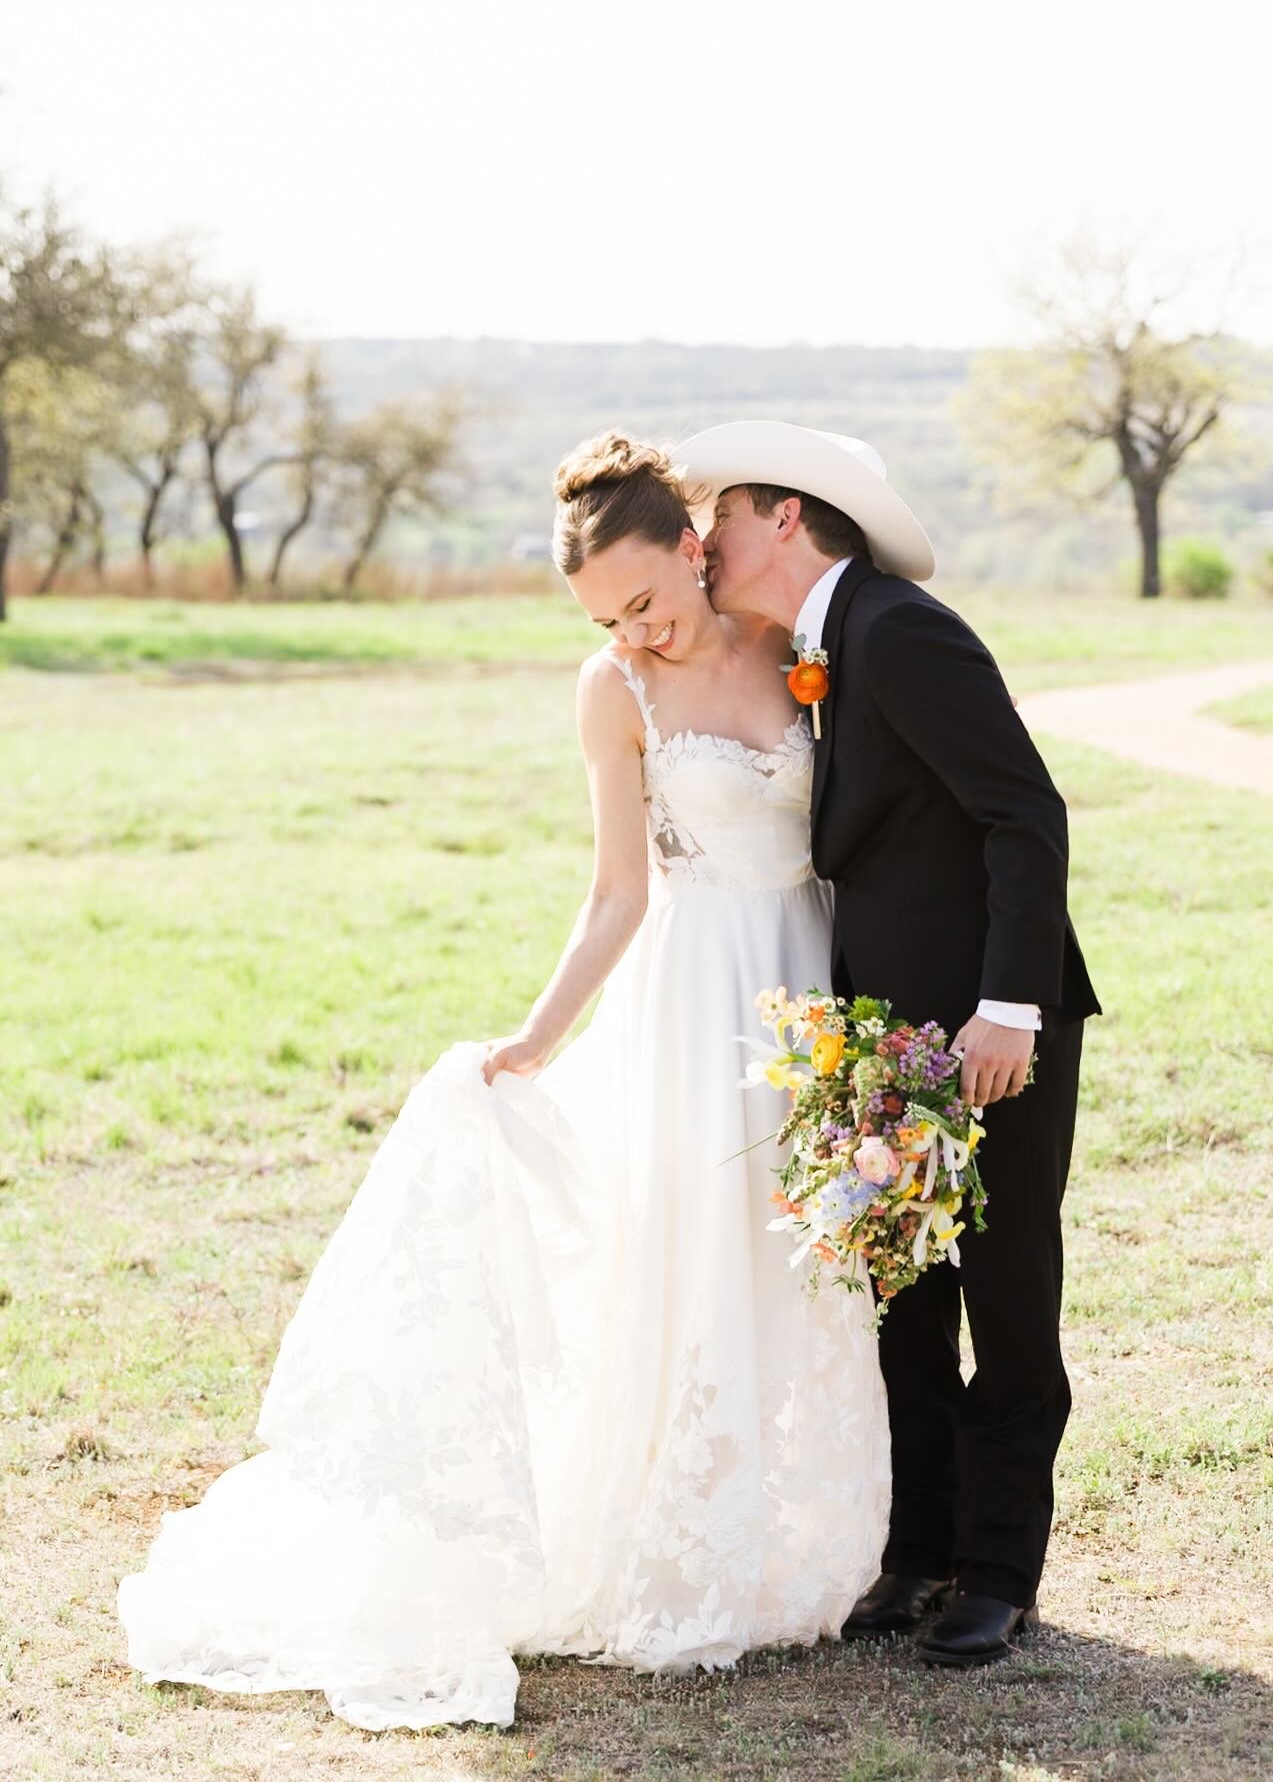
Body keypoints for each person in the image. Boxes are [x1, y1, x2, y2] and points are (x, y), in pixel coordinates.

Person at [117, 432, 890, 1732]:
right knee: (691, 1251)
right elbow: (615, 890)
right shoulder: (611, 691)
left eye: (645, 603)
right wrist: (535, 1037)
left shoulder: (800, 649)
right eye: (604, 617)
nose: (633, 634)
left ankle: (816, 1532)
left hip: (810, 993)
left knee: (804, 1254)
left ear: (698, 551)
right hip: (690, 997)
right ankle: (680, 1535)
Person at [676, 420, 1101, 1668]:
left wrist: (1008, 1008)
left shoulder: (901, 628)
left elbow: (1025, 813)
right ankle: (917, 1551)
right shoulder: (819, 643)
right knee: (900, 1298)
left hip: (987, 1030)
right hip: (878, 1036)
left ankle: (1000, 1570)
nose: (705, 541)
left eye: (722, 518)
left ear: (788, 516)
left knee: (1006, 1289)